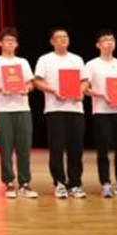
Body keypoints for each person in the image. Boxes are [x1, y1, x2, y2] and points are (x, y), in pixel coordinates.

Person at [33, 28, 89, 199]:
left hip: (75, 108)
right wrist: (53, 91)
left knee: (76, 148)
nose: (63, 39)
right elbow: (37, 81)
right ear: (52, 41)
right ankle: (59, 183)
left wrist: (80, 91)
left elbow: (85, 81)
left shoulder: (76, 59)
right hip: (54, 108)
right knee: (57, 148)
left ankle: (75, 184)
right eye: (59, 37)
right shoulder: (45, 59)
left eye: (65, 36)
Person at [83, 29, 117, 198]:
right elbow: (85, 89)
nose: (109, 43)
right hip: (102, 112)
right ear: (98, 45)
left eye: (112, 40)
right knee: (103, 149)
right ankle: (105, 184)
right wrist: (102, 94)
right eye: (105, 40)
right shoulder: (91, 64)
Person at [0, 27, 38, 199]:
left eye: (13, 41)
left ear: (16, 44)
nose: (10, 43)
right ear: (0, 43)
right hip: (3, 110)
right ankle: (8, 181)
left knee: (24, 148)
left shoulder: (23, 62)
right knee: (5, 148)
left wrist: (25, 89)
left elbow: (31, 83)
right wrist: (2, 88)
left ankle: (24, 182)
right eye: (7, 40)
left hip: (23, 109)